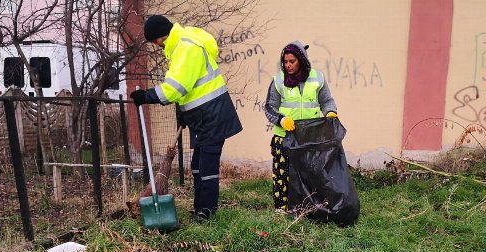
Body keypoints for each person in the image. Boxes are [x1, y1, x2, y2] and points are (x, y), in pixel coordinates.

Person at [131, 15, 242, 220]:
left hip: (212, 115)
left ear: (161, 37)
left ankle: (206, 214)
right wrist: (184, 113)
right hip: (203, 116)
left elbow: (175, 89)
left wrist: (146, 96)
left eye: (155, 42)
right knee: (198, 165)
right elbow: (191, 88)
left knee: (206, 167)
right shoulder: (182, 45)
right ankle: (200, 208)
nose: (157, 46)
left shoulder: (185, 47)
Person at [264, 41, 338, 211]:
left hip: (310, 137)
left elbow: (326, 100)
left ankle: (308, 207)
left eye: (292, 61)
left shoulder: (317, 78)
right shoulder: (278, 81)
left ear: (302, 60)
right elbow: (269, 107)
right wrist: (281, 119)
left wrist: (330, 112)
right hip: (285, 137)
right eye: (285, 61)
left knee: (310, 174)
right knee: (282, 174)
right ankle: (281, 208)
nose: (287, 65)